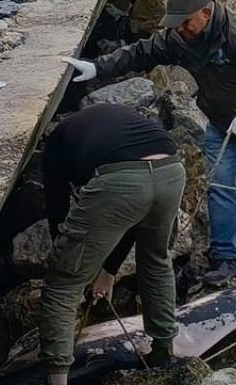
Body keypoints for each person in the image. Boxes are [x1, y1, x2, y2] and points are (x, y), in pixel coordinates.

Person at [63, 0, 236, 287]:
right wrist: (98, 67)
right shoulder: (179, 38)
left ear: (206, 13)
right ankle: (227, 258)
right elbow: (143, 52)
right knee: (219, 186)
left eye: (185, 23)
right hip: (222, 124)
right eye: (175, 24)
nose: (180, 30)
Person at [38, 103, 186, 385]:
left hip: (122, 180)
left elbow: (58, 212)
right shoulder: (112, 121)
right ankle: (163, 352)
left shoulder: (56, 145)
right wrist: (107, 270)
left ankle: (56, 378)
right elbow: (132, 220)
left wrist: (77, 265)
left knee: (63, 283)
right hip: (171, 170)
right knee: (156, 261)